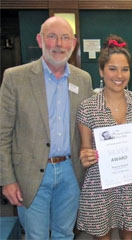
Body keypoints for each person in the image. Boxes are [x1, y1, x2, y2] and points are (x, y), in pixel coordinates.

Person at [0, 16, 93, 239]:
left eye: (65, 38)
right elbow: (3, 133)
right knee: (36, 236)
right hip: (30, 174)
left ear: (74, 42)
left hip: (71, 172)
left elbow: (89, 126)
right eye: (52, 37)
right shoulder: (15, 78)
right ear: (40, 40)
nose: (59, 44)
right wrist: (7, 180)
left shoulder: (83, 80)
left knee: (64, 233)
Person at [76, 34, 132, 240]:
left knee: (129, 235)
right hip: (100, 184)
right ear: (101, 71)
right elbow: (84, 150)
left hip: (130, 184)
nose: (119, 75)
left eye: (124, 69)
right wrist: (86, 156)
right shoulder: (88, 107)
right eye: (112, 68)